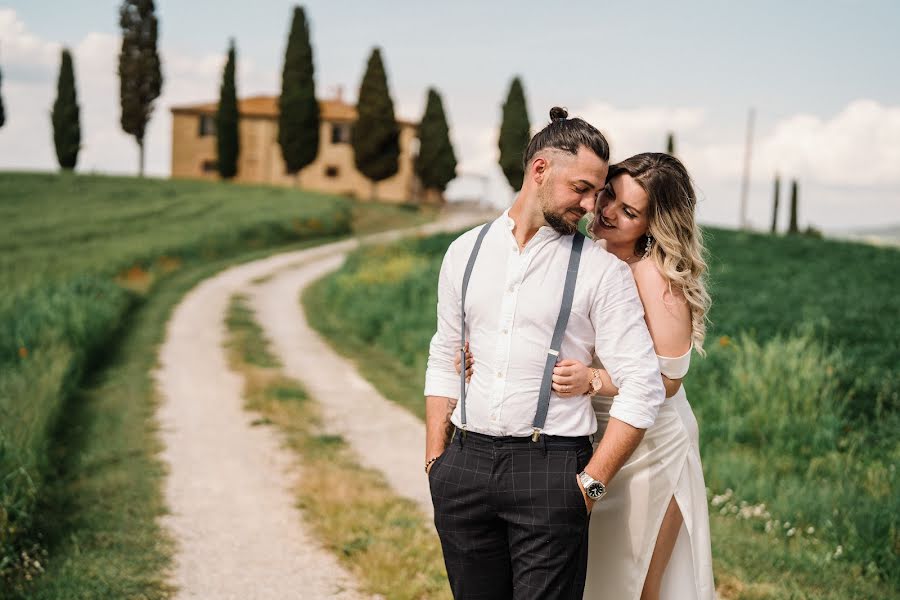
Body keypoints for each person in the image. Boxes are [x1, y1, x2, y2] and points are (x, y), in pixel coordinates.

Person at [424, 108, 666, 599]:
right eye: (581, 187)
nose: (591, 204)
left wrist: (590, 488)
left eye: (597, 192)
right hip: (464, 467)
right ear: (540, 170)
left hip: (553, 470)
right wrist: (435, 460)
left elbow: (644, 385)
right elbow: (443, 355)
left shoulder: (602, 271)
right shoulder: (463, 252)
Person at [458, 152, 716, 599]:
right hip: (589, 438)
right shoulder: (588, 256)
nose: (609, 211)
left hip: (649, 451)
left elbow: (668, 379)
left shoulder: (657, 278)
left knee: (633, 581)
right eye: (609, 196)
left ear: (654, 225)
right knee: (588, 578)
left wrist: (593, 380)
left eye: (629, 211)